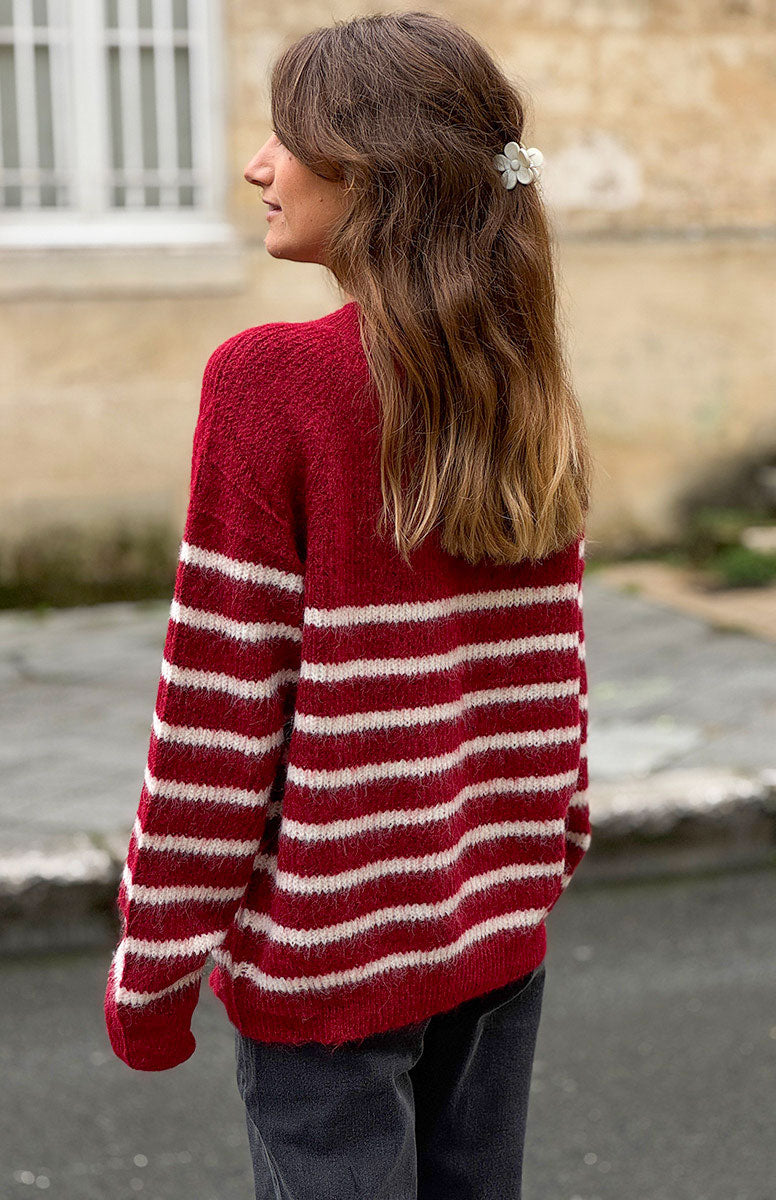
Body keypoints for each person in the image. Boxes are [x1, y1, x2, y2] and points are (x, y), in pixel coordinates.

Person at [103, 10, 595, 1199]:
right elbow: (549, 674)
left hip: (328, 966)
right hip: (492, 936)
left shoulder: (272, 384)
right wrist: (540, 851)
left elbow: (218, 711)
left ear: (371, 169)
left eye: (284, 138)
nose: (256, 166)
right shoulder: (516, 372)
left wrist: (153, 968)